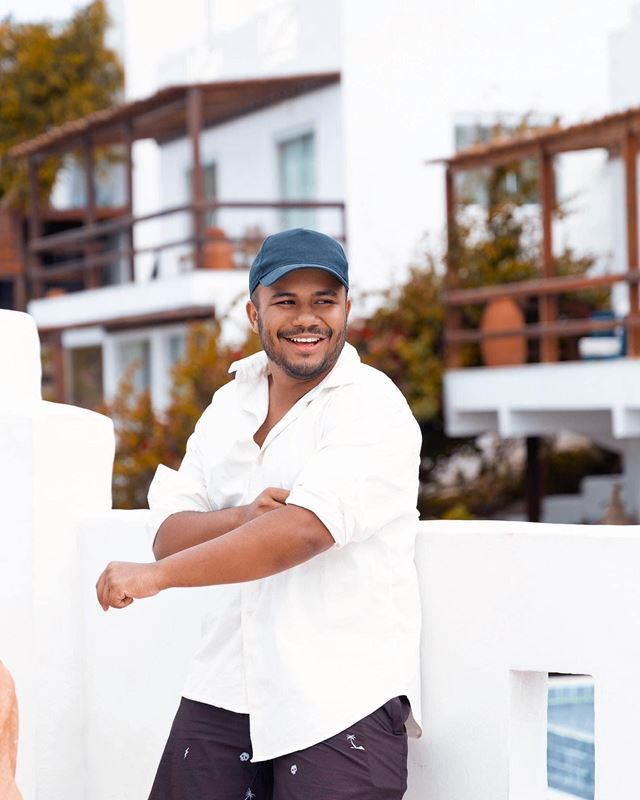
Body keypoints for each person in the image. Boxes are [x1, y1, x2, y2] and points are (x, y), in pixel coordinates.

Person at [96, 228, 423, 799]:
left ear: (347, 308)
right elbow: (169, 533)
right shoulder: (230, 404)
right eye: (286, 301)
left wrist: (157, 580)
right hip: (223, 688)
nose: (308, 318)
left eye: (324, 300)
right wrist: (242, 518)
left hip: (337, 703)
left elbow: (301, 534)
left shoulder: (372, 406)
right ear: (254, 312)